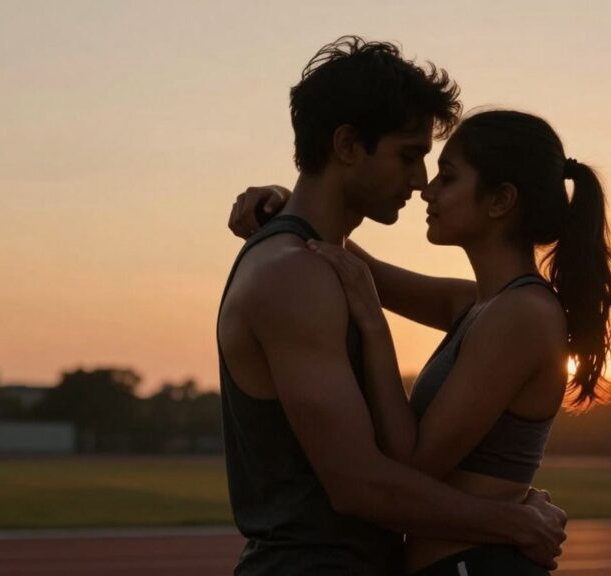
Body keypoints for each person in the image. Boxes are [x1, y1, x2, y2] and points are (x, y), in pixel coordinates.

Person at [217, 37, 567, 576]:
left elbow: (369, 274)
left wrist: (285, 207)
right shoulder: (293, 276)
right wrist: (513, 520)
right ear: (348, 145)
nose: (420, 181)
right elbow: (359, 485)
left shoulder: (314, 263)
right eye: (410, 155)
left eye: (437, 167)